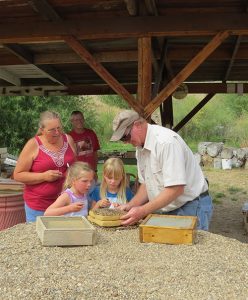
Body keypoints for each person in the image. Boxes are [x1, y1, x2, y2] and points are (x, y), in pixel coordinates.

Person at [110, 110, 213, 230]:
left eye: (126, 136)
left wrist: (142, 211)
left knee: (189, 248)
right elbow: (146, 185)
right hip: (170, 207)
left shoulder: (166, 143)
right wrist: (130, 206)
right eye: (122, 139)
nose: (126, 142)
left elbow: (176, 189)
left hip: (191, 206)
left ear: (137, 125)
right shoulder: (140, 148)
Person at [13, 111, 76, 222]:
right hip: (39, 206)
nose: (57, 132)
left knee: (64, 238)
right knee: (39, 238)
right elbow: (18, 175)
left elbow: (76, 166)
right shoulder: (33, 144)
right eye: (52, 130)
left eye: (59, 128)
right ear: (42, 130)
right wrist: (44, 176)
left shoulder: (68, 139)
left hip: (66, 203)